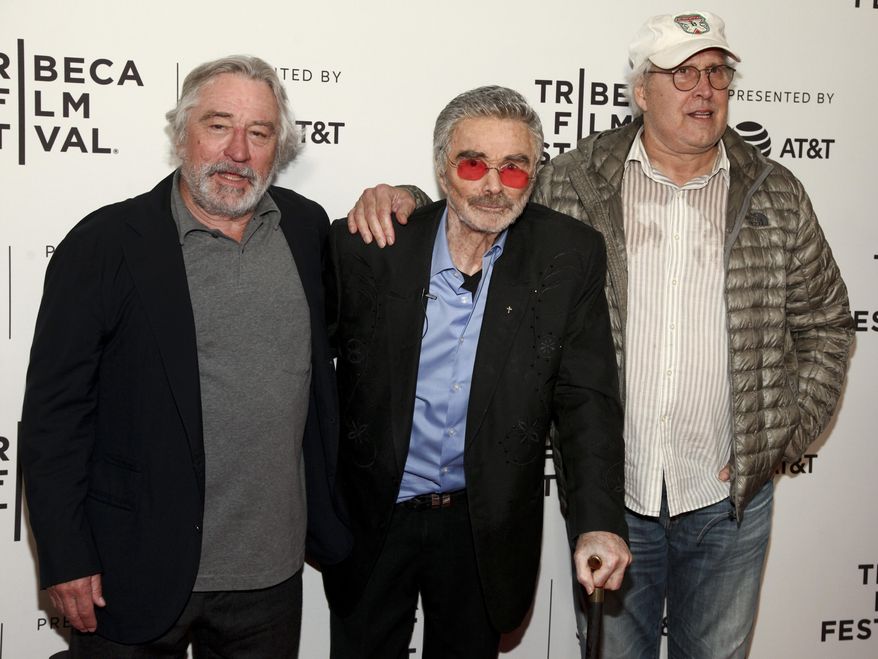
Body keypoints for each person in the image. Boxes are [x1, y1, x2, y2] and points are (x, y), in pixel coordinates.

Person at [346, 11, 854, 659]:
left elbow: (826, 322)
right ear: (641, 91)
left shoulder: (775, 192)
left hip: (728, 501)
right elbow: (485, 214)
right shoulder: (572, 179)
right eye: (683, 73)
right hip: (615, 495)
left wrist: (780, 431)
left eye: (716, 72)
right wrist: (406, 200)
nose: (704, 89)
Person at [19, 55, 350, 658]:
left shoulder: (305, 229)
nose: (238, 152)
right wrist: (65, 554)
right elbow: (54, 418)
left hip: (270, 575)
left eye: (259, 133)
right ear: (181, 135)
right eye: (219, 126)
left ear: (278, 148)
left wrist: (403, 197)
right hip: (131, 565)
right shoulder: (104, 244)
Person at [323, 85, 630, 659]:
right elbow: (310, 375)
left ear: (533, 175)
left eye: (513, 168)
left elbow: (586, 398)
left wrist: (598, 521)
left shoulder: (569, 254)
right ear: (443, 169)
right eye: (473, 164)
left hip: (483, 524)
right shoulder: (371, 244)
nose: (493, 186)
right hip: (374, 516)